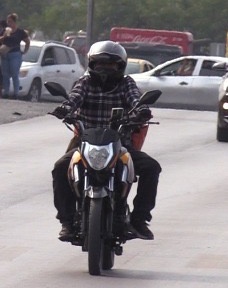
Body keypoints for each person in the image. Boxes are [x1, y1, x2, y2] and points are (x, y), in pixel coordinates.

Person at [49, 41, 161, 241]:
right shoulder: (84, 83)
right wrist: (65, 109)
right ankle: (67, 222)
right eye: (100, 64)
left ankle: (139, 219)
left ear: (120, 66)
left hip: (120, 144)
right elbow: (75, 98)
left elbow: (135, 99)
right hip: (85, 143)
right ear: (92, 64)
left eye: (110, 64)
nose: (105, 69)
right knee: (60, 168)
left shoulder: (126, 84)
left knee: (151, 168)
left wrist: (142, 111)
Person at [0, 13, 30, 99]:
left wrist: (25, 51)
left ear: (14, 22)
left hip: (15, 54)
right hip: (5, 54)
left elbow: (27, 41)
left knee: (14, 74)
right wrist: (4, 36)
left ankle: (16, 93)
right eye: (8, 21)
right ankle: (6, 92)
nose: (9, 23)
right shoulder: (5, 30)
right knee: (5, 74)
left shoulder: (20, 32)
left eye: (10, 21)